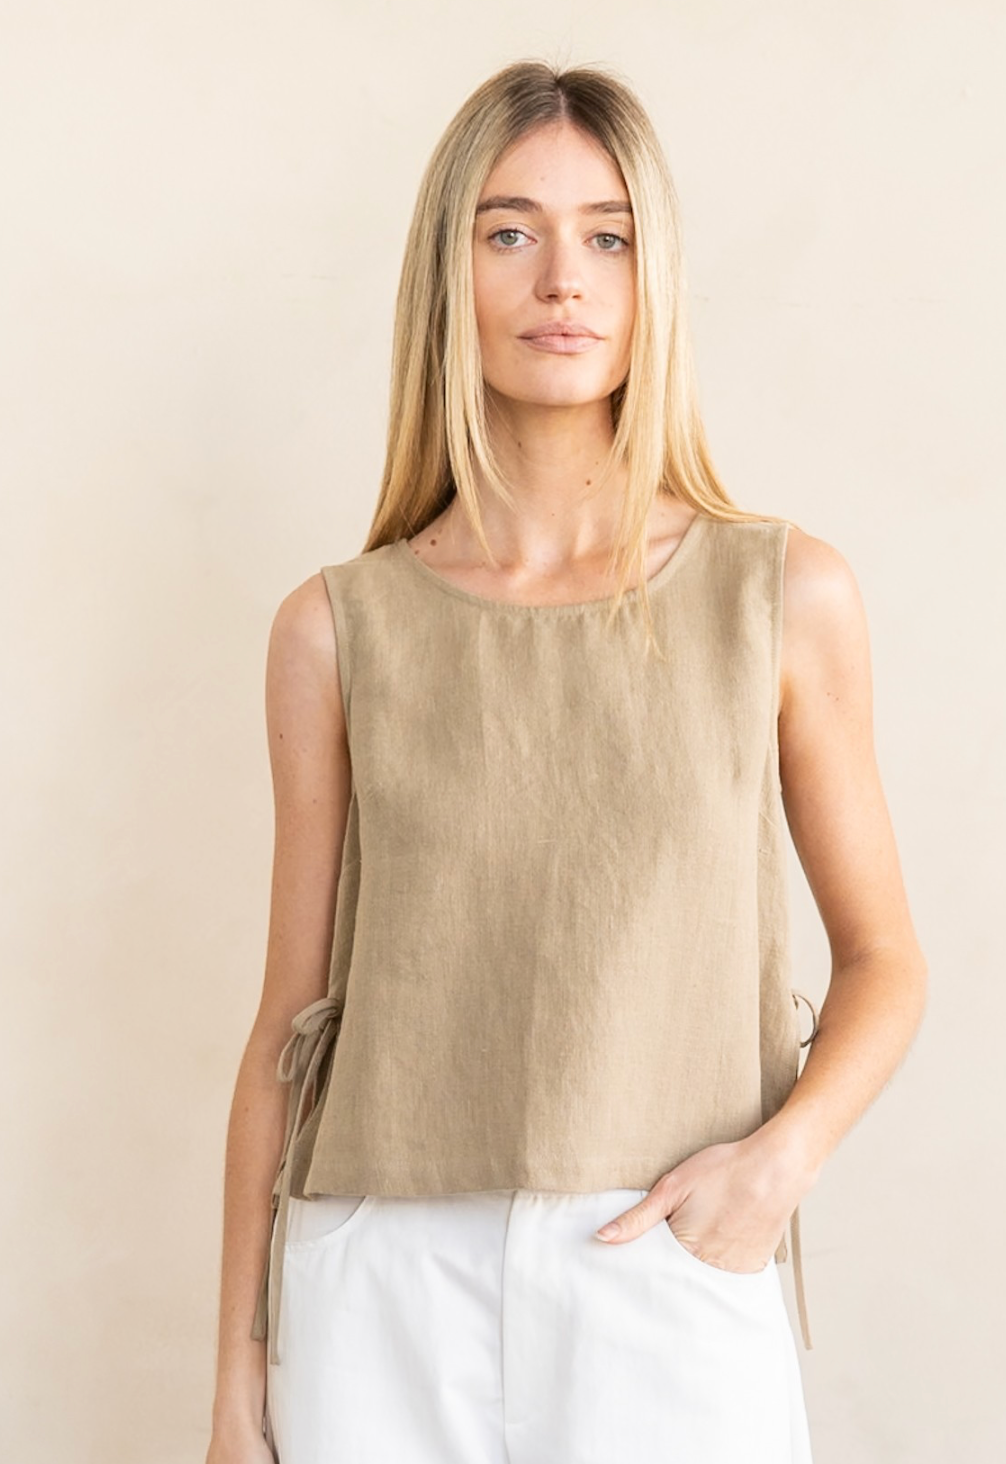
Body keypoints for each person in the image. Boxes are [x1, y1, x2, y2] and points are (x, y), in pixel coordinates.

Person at [205, 58, 927, 1464]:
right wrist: (236, 1383)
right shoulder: (336, 630)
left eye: (609, 236)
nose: (562, 282)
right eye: (509, 232)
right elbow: (288, 1020)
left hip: (667, 1258)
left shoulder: (781, 595)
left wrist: (775, 1170)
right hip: (381, 1277)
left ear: (656, 279)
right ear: (448, 274)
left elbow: (886, 958)